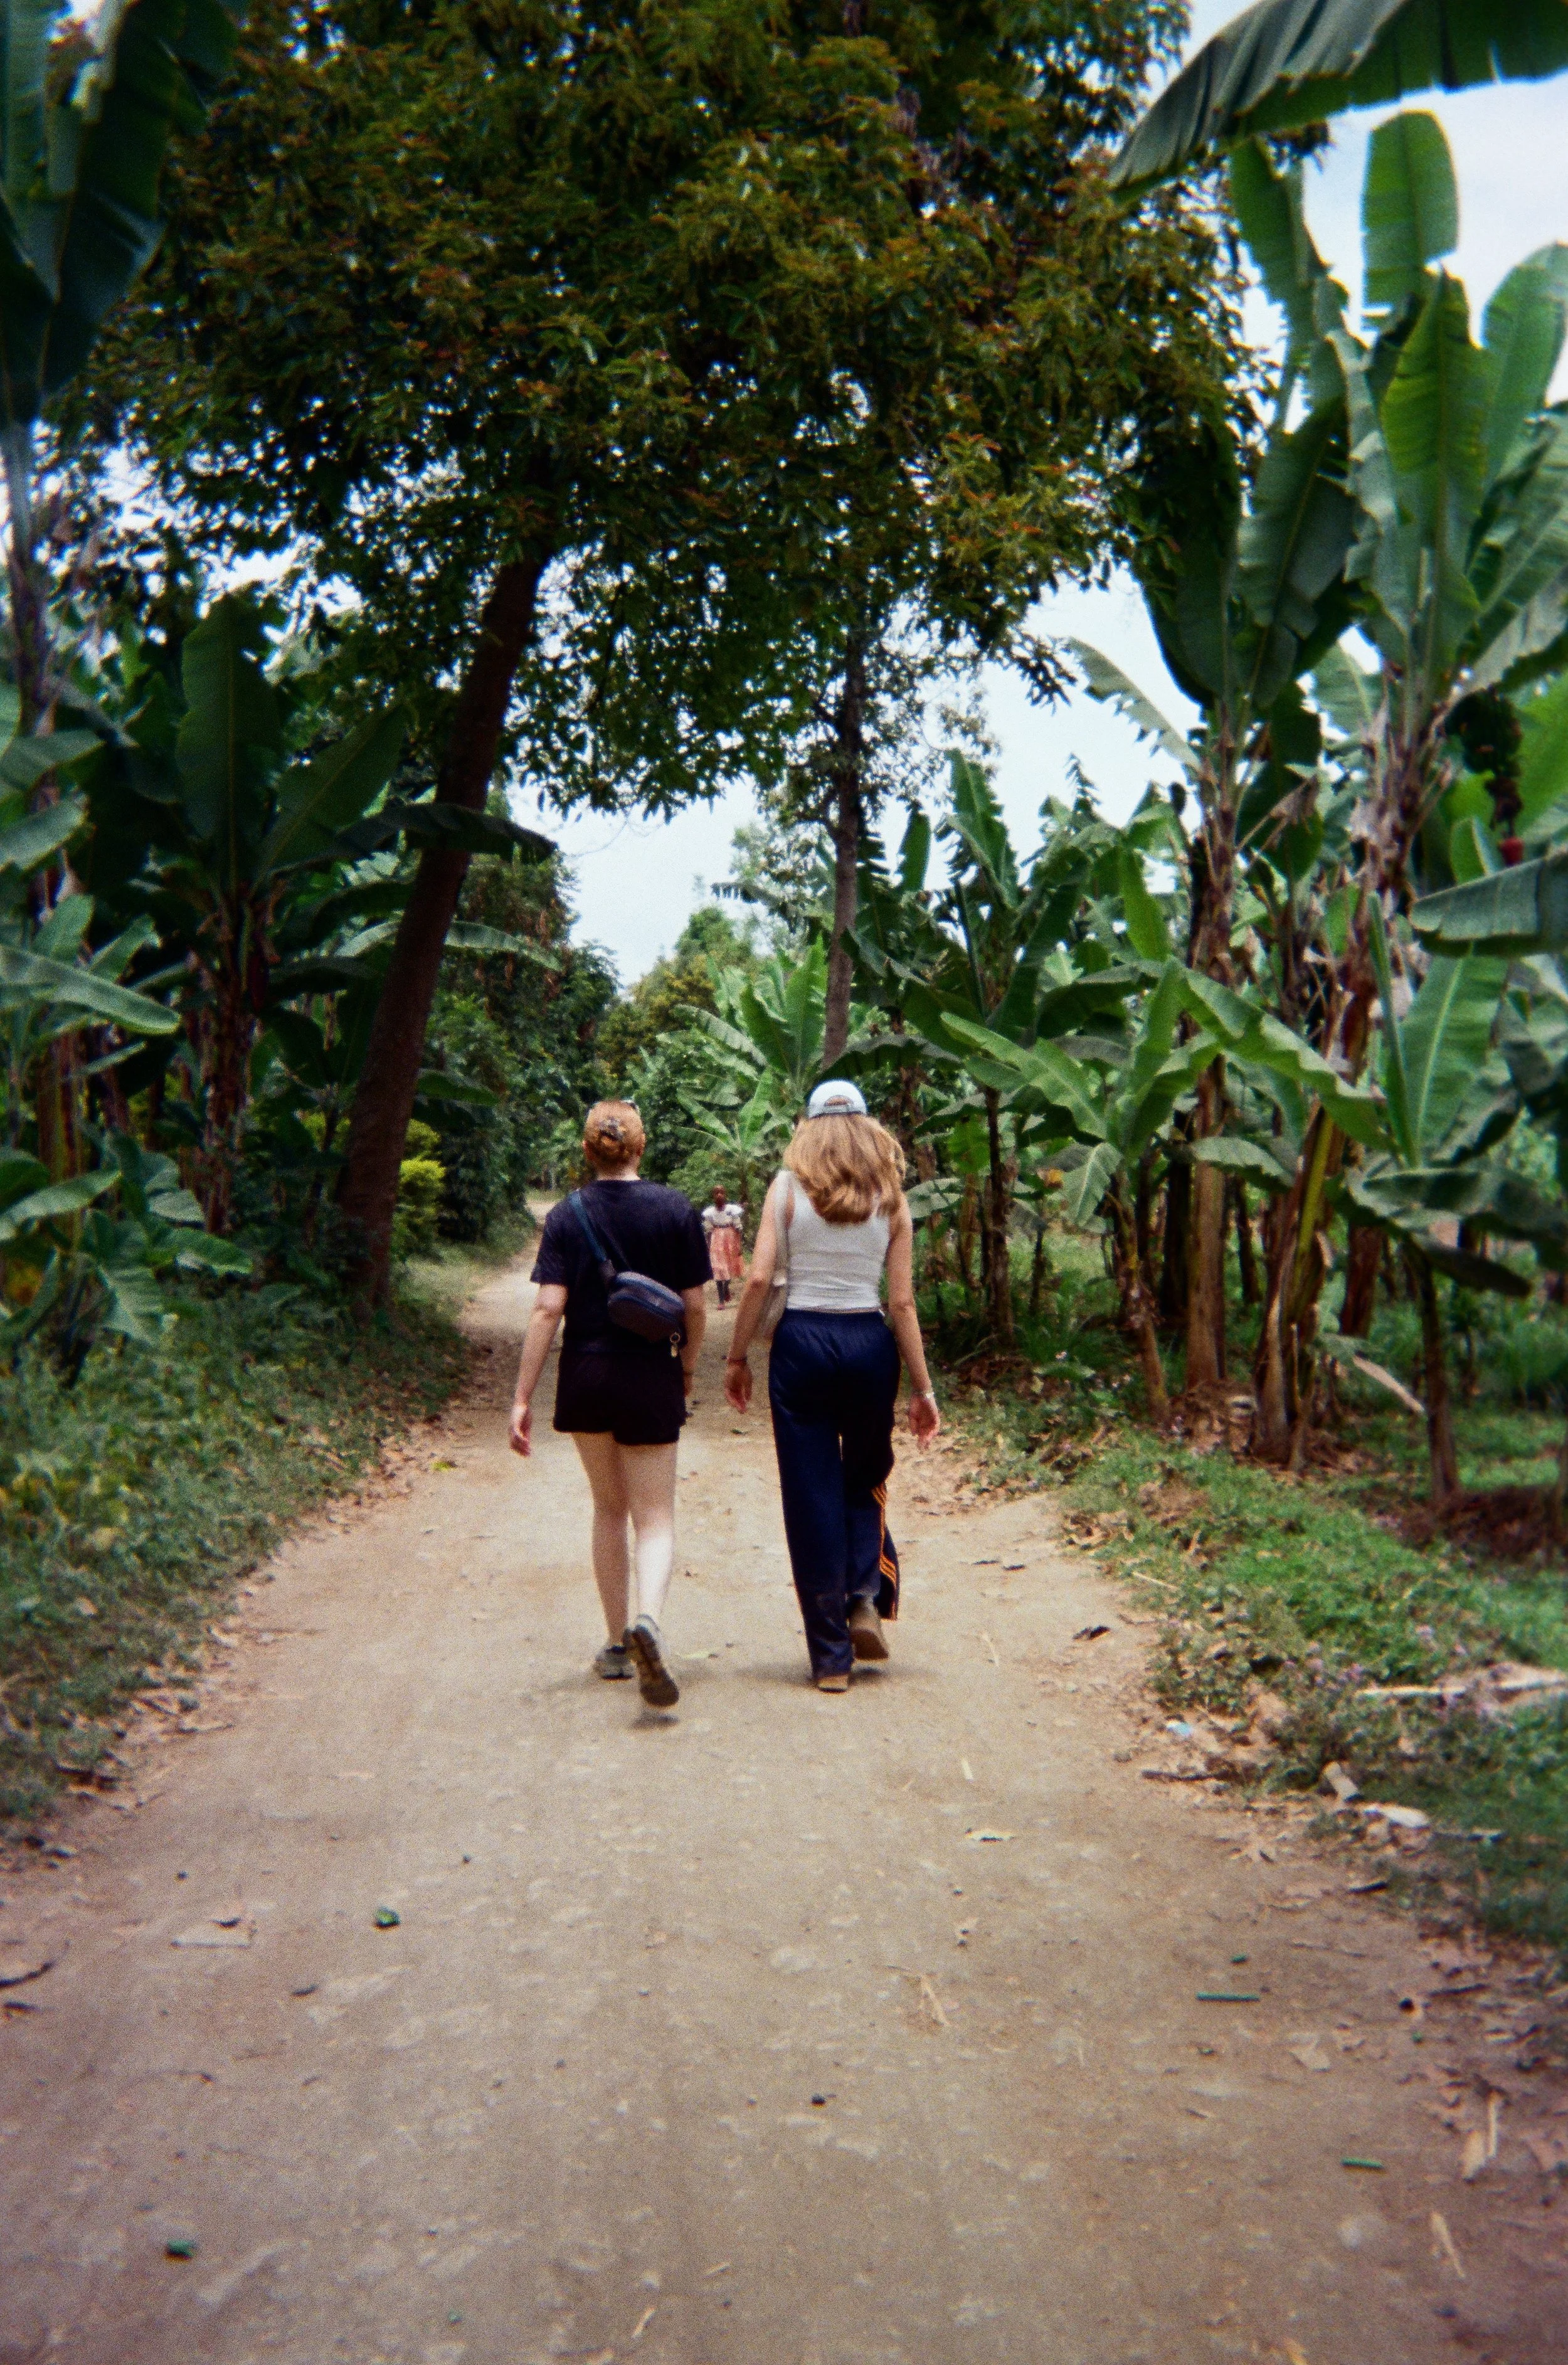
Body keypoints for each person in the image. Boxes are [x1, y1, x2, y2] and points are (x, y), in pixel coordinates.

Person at [724, 1079, 940, 1693]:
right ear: (868, 1125)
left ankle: (830, 1660)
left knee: (809, 1490)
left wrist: (737, 1357)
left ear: (808, 1125)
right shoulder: (892, 1197)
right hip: (868, 1344)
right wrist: (922, 1390)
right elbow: (900, 1303)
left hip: (802, 1347)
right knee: (864, 1474)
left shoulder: (786, 1187)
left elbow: (760, 1278)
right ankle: (864, 1593)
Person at [507, 1101, 711, 1708]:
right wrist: (689, 1368)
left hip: (587, 1372)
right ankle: (647, 1619)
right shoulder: (675, 1209)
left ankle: (617, 1645)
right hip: (651, 1372)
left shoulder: (567, 1215)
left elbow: (547, 1308)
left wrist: (521, 1396)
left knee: (607, 1508)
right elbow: (695, 1307)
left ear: (588, 1151)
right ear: (640, 1147)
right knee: (655, 1516)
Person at [701, 1184, 745, 1305]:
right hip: (716, 1240)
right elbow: (708, 1230)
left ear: (725, 1195)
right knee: (718, 1269)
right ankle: (721, 1301)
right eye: (716, 1193)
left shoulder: (731, 1211)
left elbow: (738, 1228)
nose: (719, 1195)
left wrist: (739, 1245)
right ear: (713, 1196)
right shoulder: (710, 1213)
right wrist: (708, 1246)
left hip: (730, 1240)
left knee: (729, 1267)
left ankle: (726, 1289)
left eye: (722, 1193)